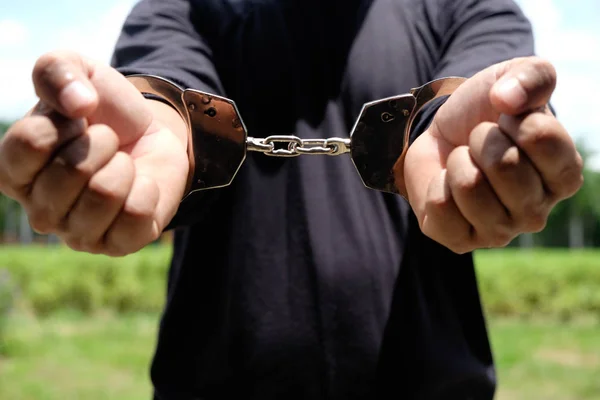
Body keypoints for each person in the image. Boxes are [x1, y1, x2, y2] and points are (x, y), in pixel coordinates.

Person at [0, 0, 583, 398]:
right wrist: (156, 121)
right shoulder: (189, 5)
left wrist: (492, 131)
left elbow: (473, 90)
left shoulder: (460, 4)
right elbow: (163, 83)